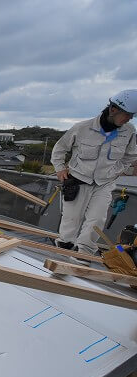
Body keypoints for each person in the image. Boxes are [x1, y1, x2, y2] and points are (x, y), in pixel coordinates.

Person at [51, 89, 137, 262]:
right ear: (113, 110)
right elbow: (60, 149)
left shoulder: (129, 131)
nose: (130, 118)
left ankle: (84, 253)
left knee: (97, 219)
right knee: (72, 219)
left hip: (104, 183)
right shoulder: (82, 128)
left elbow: (130, 156)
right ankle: (65, 247)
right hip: (78, 179)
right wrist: (60, 168)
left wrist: (116, 170)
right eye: (128, 114)